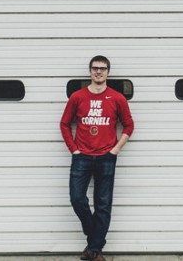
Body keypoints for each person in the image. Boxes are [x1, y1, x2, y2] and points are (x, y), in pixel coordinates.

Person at [60, 55, 135, 261]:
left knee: (103, 204)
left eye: (102, 68)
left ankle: (94, 250)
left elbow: (129, 125)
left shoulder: (117, 98)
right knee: (77, 199)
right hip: (81, 157)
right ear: (90, 71)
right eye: (95, 68)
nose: (98, 72)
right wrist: (74, 149)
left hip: (106, 157)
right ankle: (94, 238)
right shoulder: (77, 97)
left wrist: (116, 150)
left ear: (108, 72)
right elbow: (64, 124)